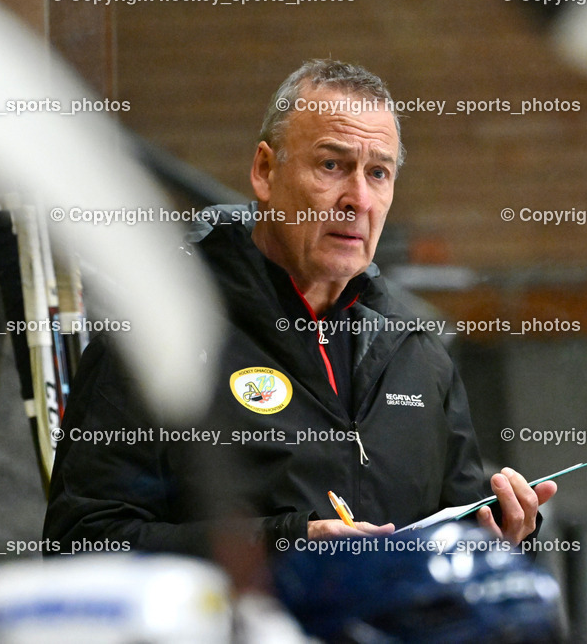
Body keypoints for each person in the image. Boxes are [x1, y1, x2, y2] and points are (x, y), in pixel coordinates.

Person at [43, 59, 556, 555]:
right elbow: (81, 544)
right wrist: (287, 546)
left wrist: (505, 541)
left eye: (377, 174)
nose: (357, 198)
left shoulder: (419, 357)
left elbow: (458, 553)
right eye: (332, 165)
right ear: (266, 171)